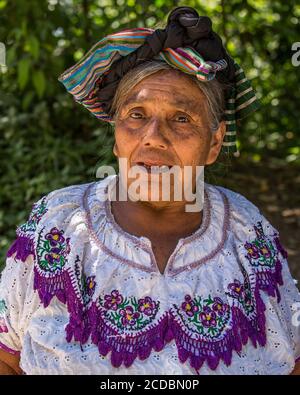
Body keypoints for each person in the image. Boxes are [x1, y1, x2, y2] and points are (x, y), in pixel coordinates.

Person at [0, 6, 299, 375]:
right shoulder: (59, 225)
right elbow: (6, 359)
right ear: (116, 135)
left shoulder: (247, 232)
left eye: (181, 118)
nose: (153, 137)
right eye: (137, 114)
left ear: (214, 142)